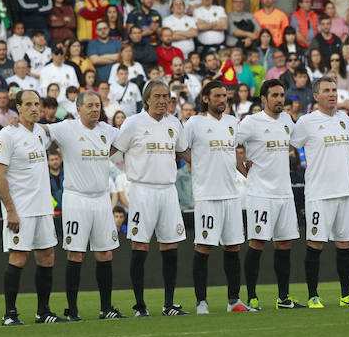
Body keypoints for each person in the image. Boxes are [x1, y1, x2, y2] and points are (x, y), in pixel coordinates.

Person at [39, 90, 124, 320]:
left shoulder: (107, 130)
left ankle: (106, 308)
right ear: (78, 109)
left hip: (101, 198)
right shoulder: (67, 128)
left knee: (105, 253)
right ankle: (72, 309)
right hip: (76, 198)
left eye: (97, 105)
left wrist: (109, 151)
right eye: (90, 106)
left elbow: (125, 140)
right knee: (76, 253)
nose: (95, 109)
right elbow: (44, 129)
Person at [112, 81, 190, 317]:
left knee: (170, 244)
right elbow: (113, 151)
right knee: (140, 245)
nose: (163, 100)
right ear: (146, 99)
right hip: (142, 190)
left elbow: (183, 151)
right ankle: (140, 305)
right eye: (157, 96)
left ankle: (169, 304)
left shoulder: (174, 123)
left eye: (166, 96)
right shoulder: (133, 123)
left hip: (168, 189)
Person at [289, 77, 349, 308]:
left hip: (344, 191)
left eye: (334, 90)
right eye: (326, 91)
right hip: (319, 193)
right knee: (316, 244)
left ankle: (347, 295)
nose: (332, 94)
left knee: (345, 245)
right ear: (316, 96)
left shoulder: (345, 119)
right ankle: (313, 295)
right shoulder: (306, 122)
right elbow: (290, 144)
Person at [0, 90, 60, 325]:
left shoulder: (41, 132)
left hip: (43, 207)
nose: (34, 108)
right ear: (17, 108)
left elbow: (59, 135)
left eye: (37, 104)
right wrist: (9, 209)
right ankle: (9, 314)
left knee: (47, 257)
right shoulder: (7, 135)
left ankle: (44, 312)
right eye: (28, 104)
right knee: (19, 257)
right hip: (21, 209)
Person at [235, 80, 303, 310]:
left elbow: (300, 140)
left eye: (282, 95)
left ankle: (283, 298)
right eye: (274, 95)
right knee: (257, 242)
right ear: (263, 98)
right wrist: (242, 168)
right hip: (260, 194)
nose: (279, 99)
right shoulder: (251, 123)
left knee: (285, 245)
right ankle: (252, 297)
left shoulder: (287, 120)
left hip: (285, 193)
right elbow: (230, 145)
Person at [181, 81, 248, 314]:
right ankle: (201, 302)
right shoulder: (194, 123)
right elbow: (180, 147)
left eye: (225, 96)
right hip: (207, 195)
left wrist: (244, 170)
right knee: (204, 247)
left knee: (233, 247)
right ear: (206, 99)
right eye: (217, 96)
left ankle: (234, 301)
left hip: (231, 194)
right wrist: (196, 162)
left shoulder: (232, 123)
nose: (223, 99)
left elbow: (234, 153)